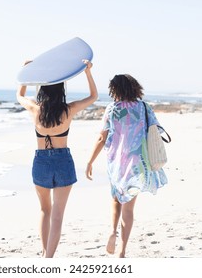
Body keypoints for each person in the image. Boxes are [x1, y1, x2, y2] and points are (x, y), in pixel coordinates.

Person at [16, 60, 98, 258]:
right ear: (61, 89)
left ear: (43, 90)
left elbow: (19, 95)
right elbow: (93, 96)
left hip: (41, 161)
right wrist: (87, 72)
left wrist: (26, 72)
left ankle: (45, 253)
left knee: (45, 209)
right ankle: (48, 257)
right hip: (63, 161)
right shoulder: (68, 110)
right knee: (58, 214)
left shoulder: (35, 109)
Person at [85, 74, 167, 258]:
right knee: (129, 208)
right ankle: (122, 251)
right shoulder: (144, 107)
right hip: (138, 163)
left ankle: (113, 232)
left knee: (116, 200)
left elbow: (101, 137)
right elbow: (156, 130)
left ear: (116, 90)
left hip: (116, 162)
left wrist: (90, 161)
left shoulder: (112, 109)